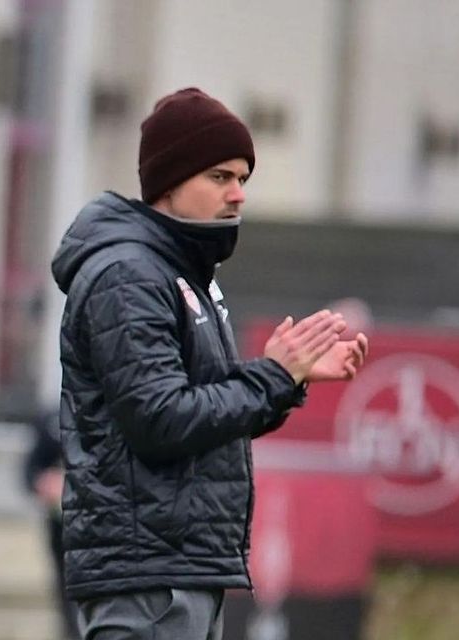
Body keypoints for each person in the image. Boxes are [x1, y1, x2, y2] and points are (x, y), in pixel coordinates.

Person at [50, 88, 369, 640]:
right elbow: (160, 419)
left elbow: (205, 413)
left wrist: (286, 379)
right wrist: (271, 375)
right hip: (148, 573)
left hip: (180, 567)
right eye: (220, 177)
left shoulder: (180, 273)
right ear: (170, 181)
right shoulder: (130, 275)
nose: (238, 194)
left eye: (243, 178)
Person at [23, 409, 80, 640]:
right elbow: (30, 470)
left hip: (100, 527)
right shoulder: (51, 421)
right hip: (60, 526)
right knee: (65, 593)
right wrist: (43, 483)